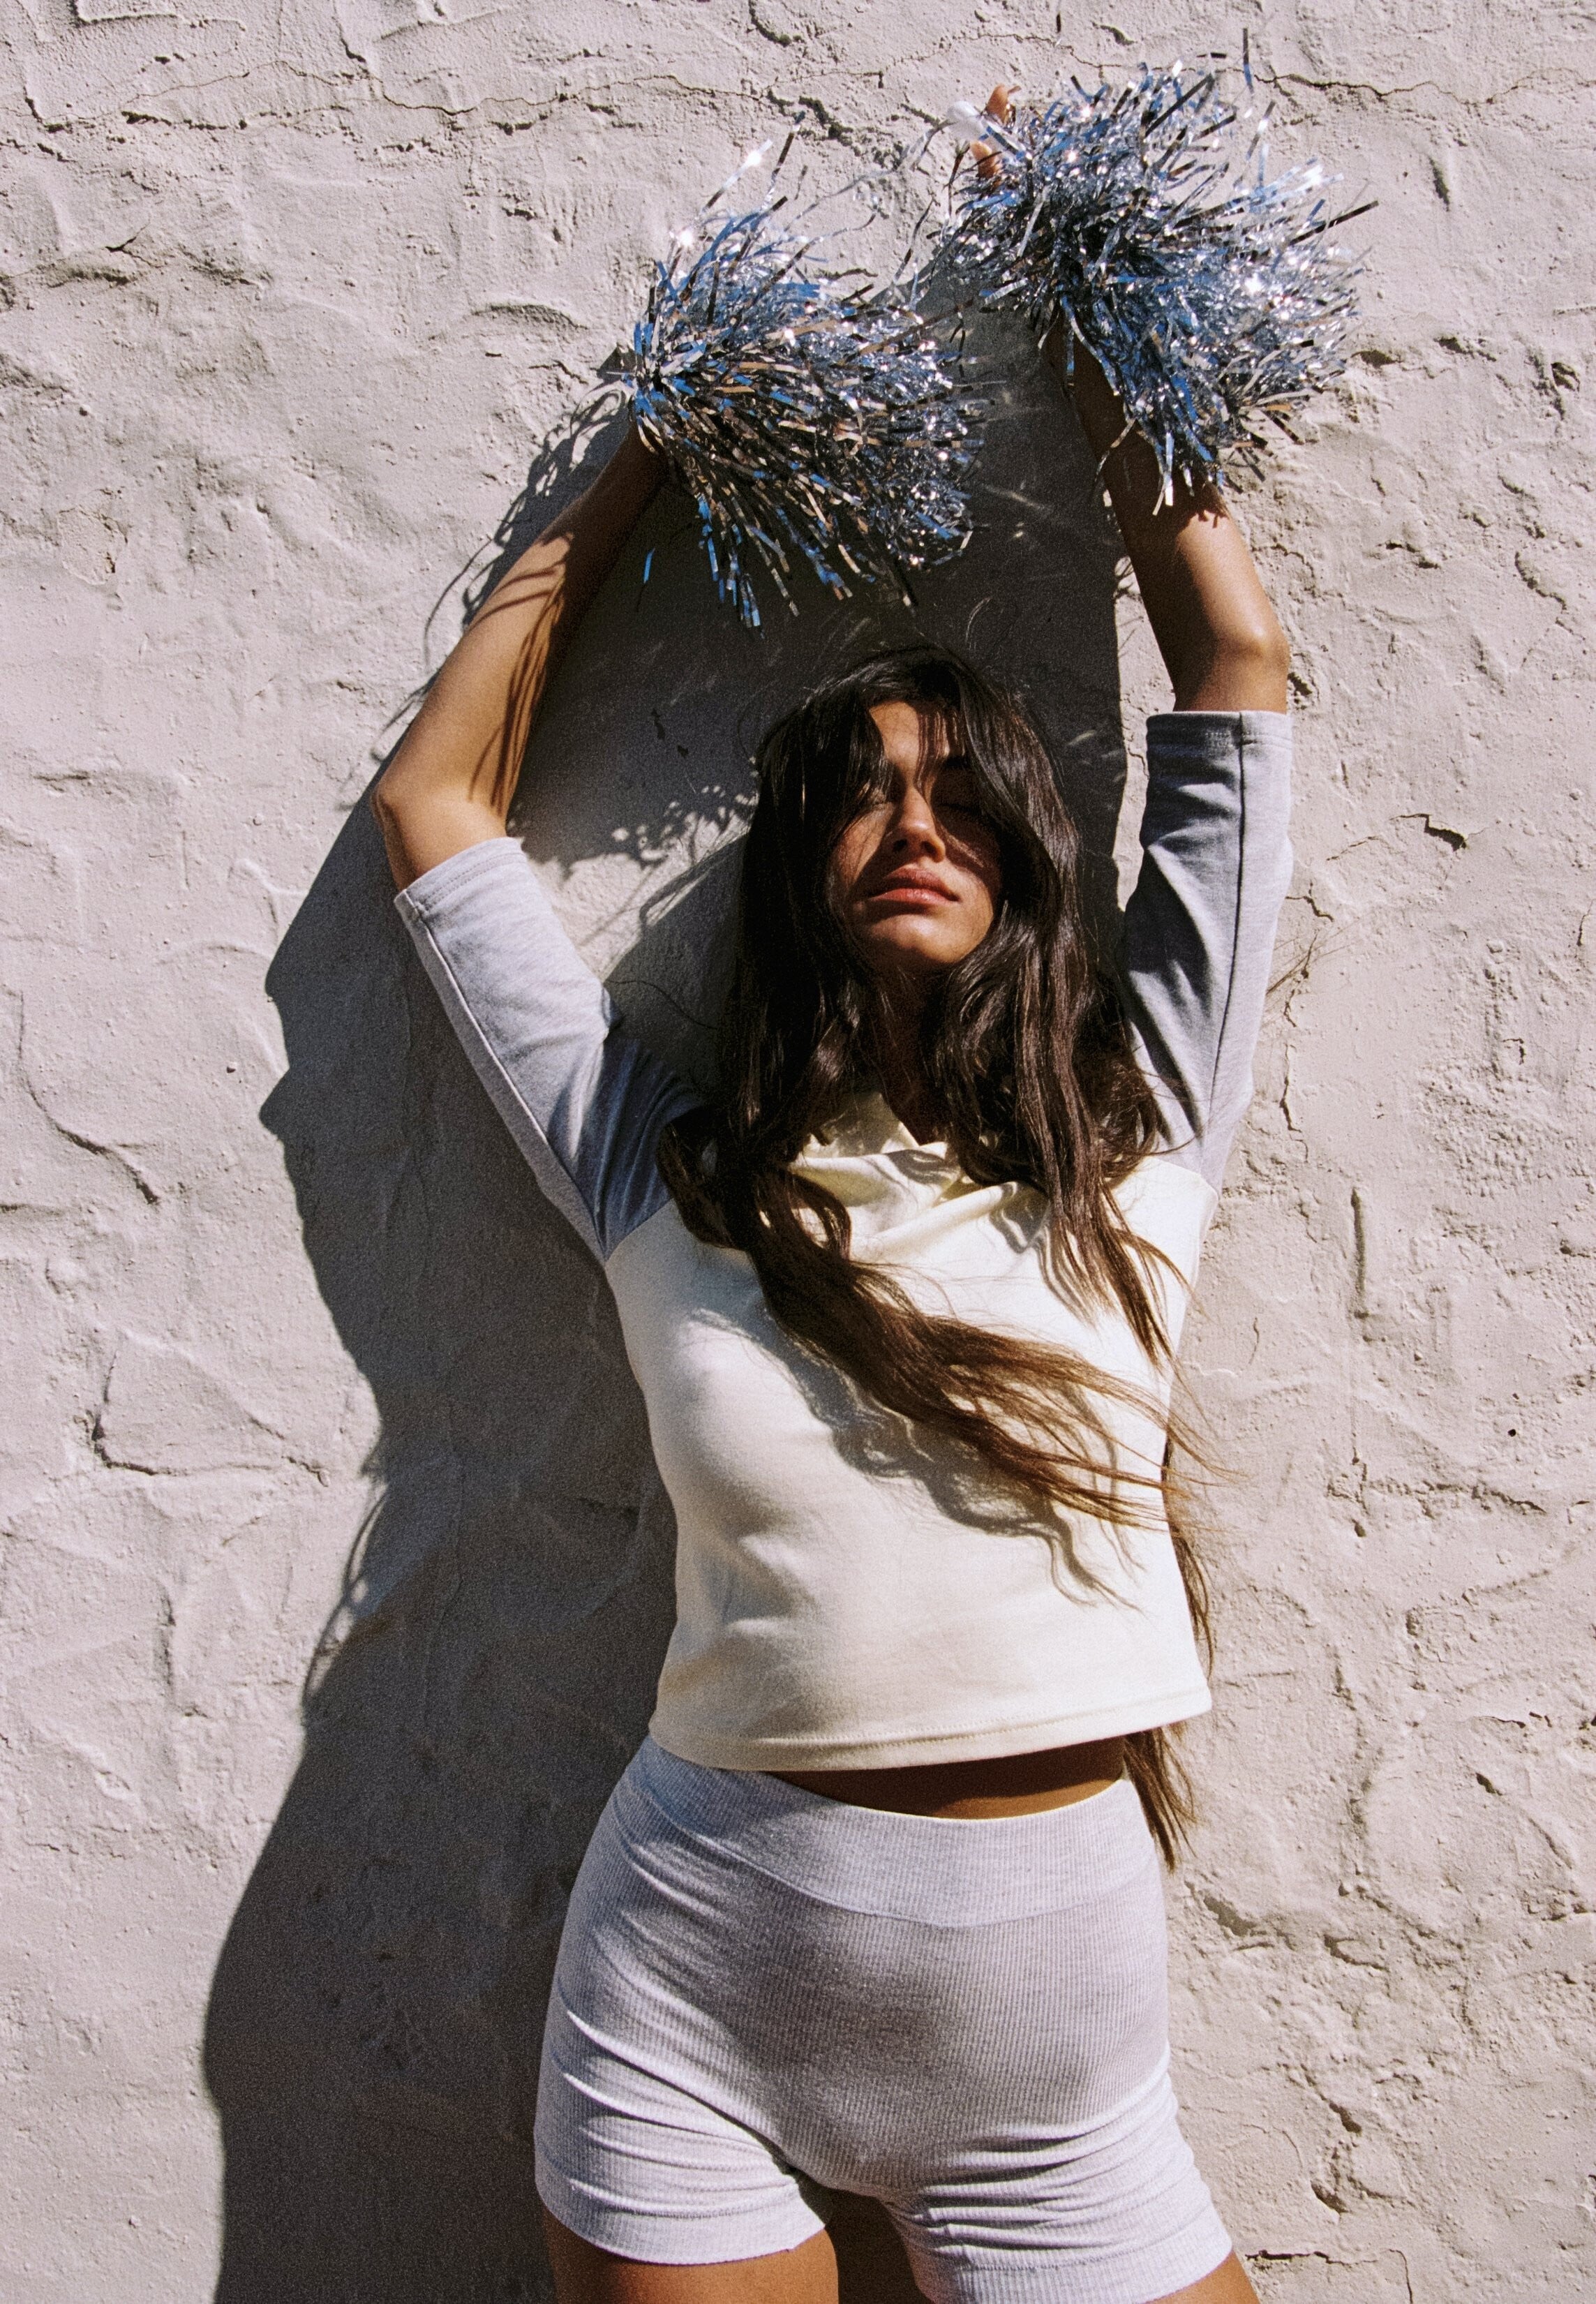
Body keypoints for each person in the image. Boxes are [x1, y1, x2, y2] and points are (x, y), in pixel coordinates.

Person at [369, 119, 1292, 2304]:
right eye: (860, 793)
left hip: (1057, 2061)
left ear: (1026, 854)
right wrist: (658, 434)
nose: (913, 818)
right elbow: (436, 805)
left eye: (959, 788)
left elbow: (1235, 668)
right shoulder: (661, 1166)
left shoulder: (1139, 1131)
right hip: (694, 1983)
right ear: (801, 869)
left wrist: (1100, 317)